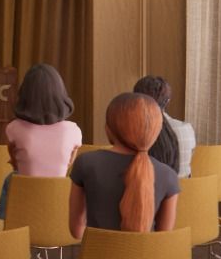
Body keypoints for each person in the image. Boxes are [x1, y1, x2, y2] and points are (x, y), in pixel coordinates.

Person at [69, 92, 180, 236]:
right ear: (155, 132)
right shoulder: (168, 175)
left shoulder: (86, 163)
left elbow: (77, 232)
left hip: (96, 257)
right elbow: (163, 239)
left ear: (108, 128)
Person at [0, 63, 83, 219]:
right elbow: (70, 163)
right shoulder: (74, 131)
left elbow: (15, 162)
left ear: (24, 95)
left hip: (25, 205)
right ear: (60, 94)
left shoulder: (13, 128)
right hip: (59, 209)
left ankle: (6, 228)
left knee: (10, 178)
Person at [133, 75, 196, 179]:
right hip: (188, 193)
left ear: (136, 100)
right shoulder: (186, 128)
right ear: (168, 101)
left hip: (150, 192)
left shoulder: (132, 132)